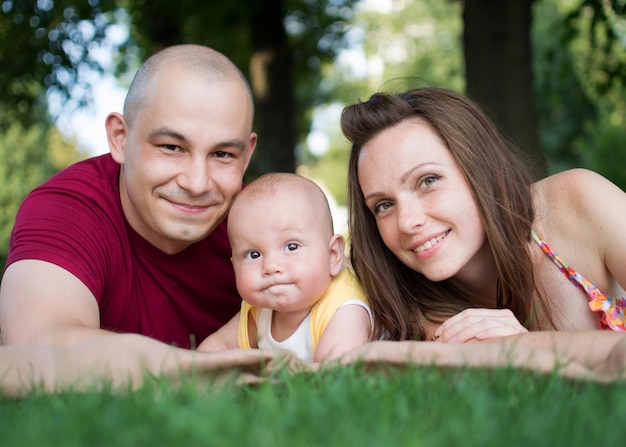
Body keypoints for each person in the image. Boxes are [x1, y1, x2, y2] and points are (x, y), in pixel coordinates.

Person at [0, 44, 257, 363]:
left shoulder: (262, 222)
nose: (197, 183)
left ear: (247, 155)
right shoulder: (67, 208)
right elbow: (39, 348)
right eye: (172, 147)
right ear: (120, 138)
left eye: (222, 155)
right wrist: (203, 368)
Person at [340, 87, 626, 344]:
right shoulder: (409, 307)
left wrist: (531, 348)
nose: (407, 222)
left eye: (428, 181)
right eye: (384, 205)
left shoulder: (577, 202)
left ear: (481, 168)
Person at [197, 173, 372, 362]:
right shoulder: (259, 308)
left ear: (332, 256)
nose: (271, 267)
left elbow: (332, 374)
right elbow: (216, 347)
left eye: (291, 247)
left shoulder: (345, 308)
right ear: (235, 266)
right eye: (253, 254)